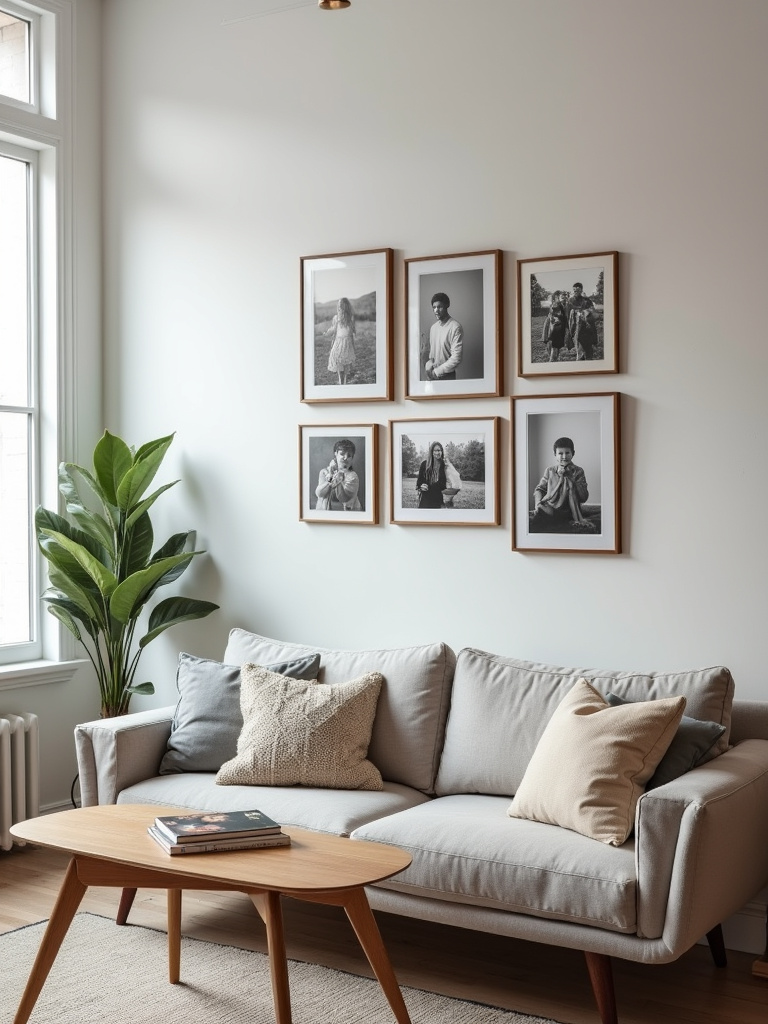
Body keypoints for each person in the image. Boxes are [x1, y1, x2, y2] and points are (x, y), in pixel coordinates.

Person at [529, 436, 595, 532]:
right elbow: (539, 490)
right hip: (552, 508)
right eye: (560, 453)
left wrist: (571, 479)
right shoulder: (550, 471)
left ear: (573, 453)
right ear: (555, 454)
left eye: (567, 453)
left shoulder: (578, 471)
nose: (564, 456)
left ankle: (575, 519)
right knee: (538, 517)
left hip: (570, 511)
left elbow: (584, 497)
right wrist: (537, 504)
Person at [424, 292, 463, 381]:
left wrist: (437, 372)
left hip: (447, 376)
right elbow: (432, 354)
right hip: (432, 376)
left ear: (447, 306)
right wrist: (429, 368)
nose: (436, 310)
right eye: (434, 307)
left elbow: (456, 358)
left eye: (439, 307)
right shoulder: (433, 327)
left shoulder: (455, 327)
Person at [315, 439, 362, 511]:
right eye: (342, 454)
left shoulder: (353, 476)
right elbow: (319, 493)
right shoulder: (325, 472)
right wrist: (330, 475)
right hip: (324, 515)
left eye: (349, 455)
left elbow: (344, 498)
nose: (345, 458)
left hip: (348, 516)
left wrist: (338, 480)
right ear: (336, 454)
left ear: (352, 458)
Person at [325, 297, 356, 384]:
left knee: (345, 362)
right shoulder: (336, 318)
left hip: (347, 342)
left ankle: (344, 380)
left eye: (340, 305)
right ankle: (340, 379)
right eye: (338, 305)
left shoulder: (350, 318)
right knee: (337, 360)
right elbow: (333, 329)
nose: (338, 307)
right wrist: (327, 333)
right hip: (338, 342)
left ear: (344, 307)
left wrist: (352, 344)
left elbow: (351, 331)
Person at [567, 282, 598, 361]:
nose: (575, 292)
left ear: (581, 290)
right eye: (574, 290)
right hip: (576, 328)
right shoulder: (570, 301)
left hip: (587, 328)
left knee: (588, 350)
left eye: (577, 290)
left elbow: (593, 311)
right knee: (580, 349)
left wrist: (585, 312)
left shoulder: (587, 300)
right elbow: (568, 315)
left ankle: (588, 362)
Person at [541, 290, 572, 361]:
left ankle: (554, 358)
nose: (564, 298)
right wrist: (556, 318)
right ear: (558, 297)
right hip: (555, 328)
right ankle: (552, 360)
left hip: (558, 327)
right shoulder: (556, 304)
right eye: (562, 297)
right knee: (555, 345)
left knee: (556, 346)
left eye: (565, 297)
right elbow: (554, 315)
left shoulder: (563, 305)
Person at [416, 440, 447, 509]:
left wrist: (430, 487)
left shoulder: (444, 465)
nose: (437, 452)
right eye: (435, 450)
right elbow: (419, 481)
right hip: (425, 499)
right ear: (431, 452)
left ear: (442, 451)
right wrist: (421, 486)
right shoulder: (424, 464)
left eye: (439, 450)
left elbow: (443, 485)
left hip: (438, 499)